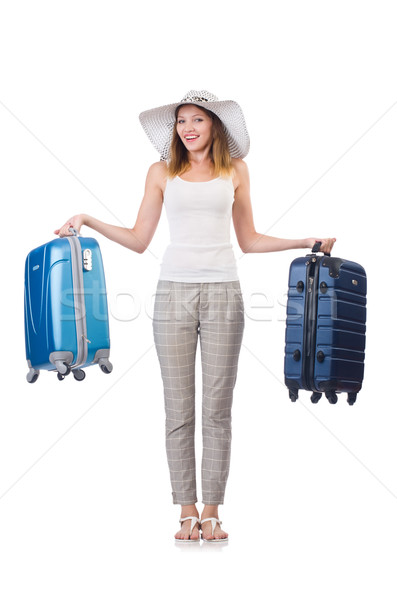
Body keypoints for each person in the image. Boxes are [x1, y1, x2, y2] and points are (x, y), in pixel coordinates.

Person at [55, 89, 336, 543]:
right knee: (178, 407)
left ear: (214, 127)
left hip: (224, 292)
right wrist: (87, 218)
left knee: (217, 409)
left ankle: (213, 511)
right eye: (181, 121)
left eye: (197, 121)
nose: (187, 128)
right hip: (172, 295)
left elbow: (249, 239)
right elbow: (138, 237)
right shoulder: (162, 172)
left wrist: (306, 242)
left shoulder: (235, 171)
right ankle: (185, 510)